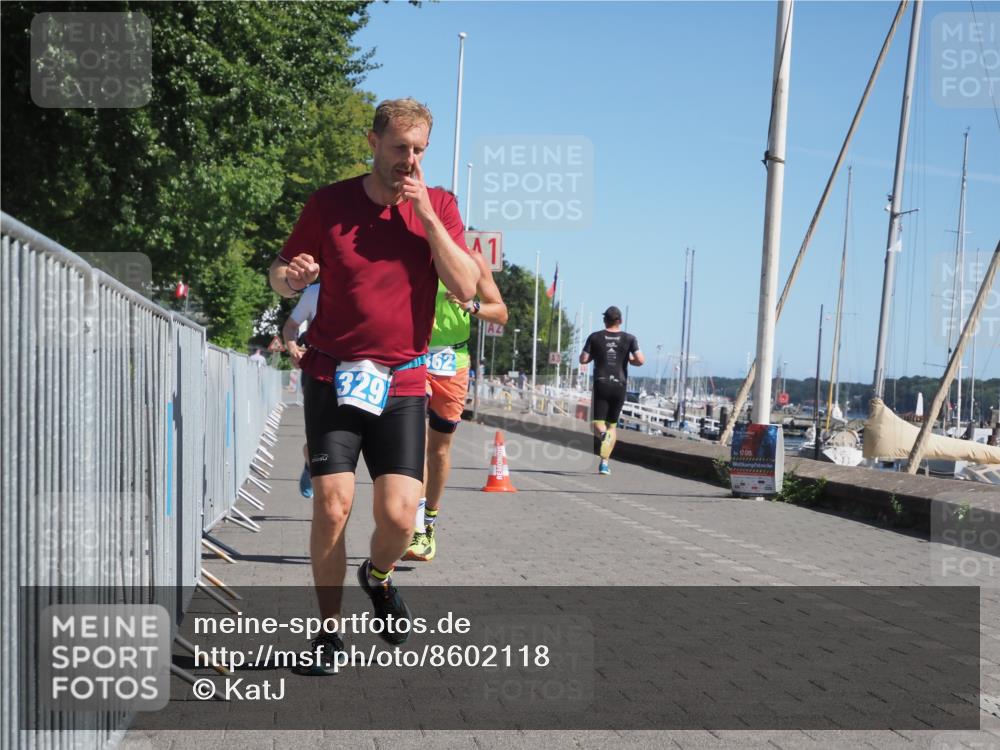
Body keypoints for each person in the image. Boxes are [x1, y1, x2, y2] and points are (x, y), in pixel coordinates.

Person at [268, 98, 478, 674]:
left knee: (399, 515)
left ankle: (378, 577)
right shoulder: (329, 204)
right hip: (332, 373)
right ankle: (329, 634)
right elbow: (281, 274)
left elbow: (467, 288)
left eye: (418, 152)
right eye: (398, 149)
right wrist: (293, 277)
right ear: (373, 142)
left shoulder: (441, 207)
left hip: (405, 380)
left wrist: (429, 219)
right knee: (333, 506)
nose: (408, 161)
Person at [404, 253, 507, 562]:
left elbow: (500, 313)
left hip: (453, 362)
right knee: (413, 443)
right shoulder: (406, 250)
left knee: (438, 451)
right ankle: (417, 528)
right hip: (412, 355)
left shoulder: (471, 261)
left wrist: (471, 306)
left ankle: (429, 524)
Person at [579, 306, 645, 475]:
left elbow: (583, 359)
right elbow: (640, 360)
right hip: (620, 385)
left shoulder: (595, 337)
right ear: (620, 321)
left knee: (597, 424)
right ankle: (604, 463)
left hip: (601, 383)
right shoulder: (630, 338)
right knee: (612, 426)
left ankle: (602, 437)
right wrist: (630, 359)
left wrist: (594, 355)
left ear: (604, 320)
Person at [281, 283, 320, 499]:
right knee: (317, 440)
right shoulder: (314, 292)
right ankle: (310, 463)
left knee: (340, 448)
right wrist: (293, 348)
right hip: (316, 373)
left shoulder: (368, 284)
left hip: (354, 377)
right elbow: (290, 327)